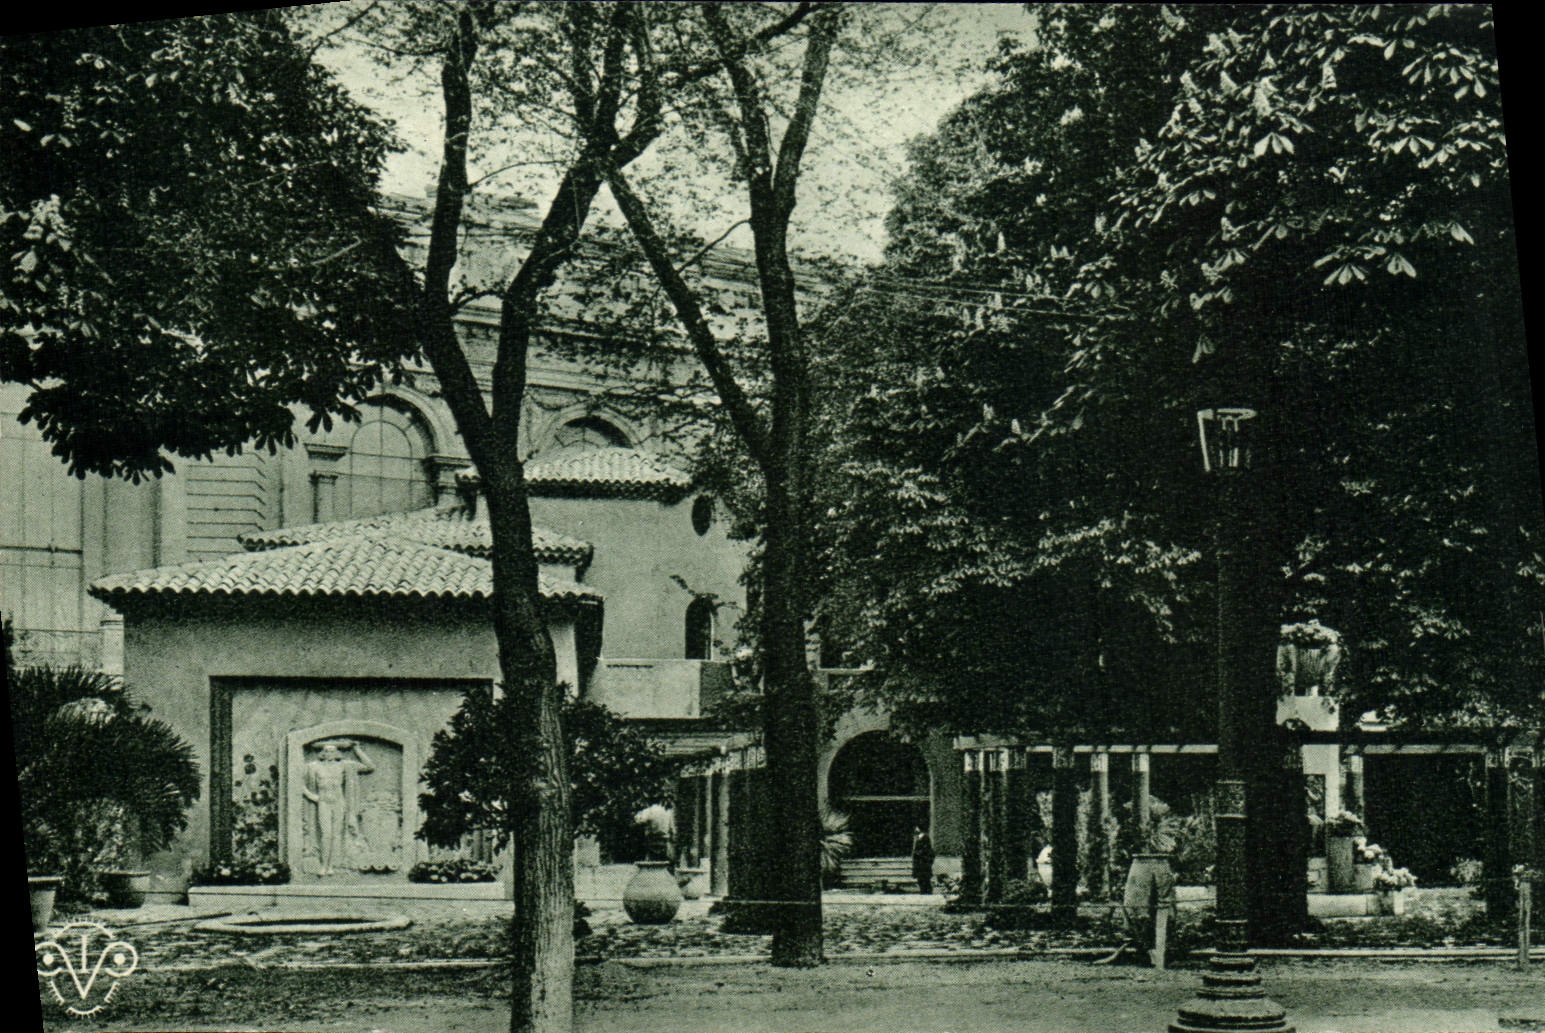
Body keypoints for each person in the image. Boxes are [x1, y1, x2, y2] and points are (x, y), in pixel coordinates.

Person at [911, 826, 935, 895]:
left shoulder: (925, 838)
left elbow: (927, 851)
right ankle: (924, 891)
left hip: (923, 863)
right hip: (919, 863)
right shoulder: (918, 838)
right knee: (921, 879)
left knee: (924, 879)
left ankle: (926, 892)